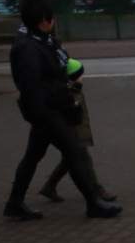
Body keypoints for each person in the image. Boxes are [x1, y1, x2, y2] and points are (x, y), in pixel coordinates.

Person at [5, 0, 122, 220]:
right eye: (51, 18)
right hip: (46, 111)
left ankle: (14, 202)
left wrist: (64, 88)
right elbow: (32, 86)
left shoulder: (38, 41)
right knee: (74, 151)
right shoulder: (29, 47)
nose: (53, 22)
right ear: (43, 20)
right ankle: (93, 202)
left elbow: (51, 77)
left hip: (48, 109)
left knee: (33, 156)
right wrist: (56, 99)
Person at [37, 58, 118, 204]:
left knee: (69, 160)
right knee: (84, 160)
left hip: (75, 130)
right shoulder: (67, 94)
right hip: (72, 131)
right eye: (80, 75)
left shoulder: (74, 90)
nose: (82, 78)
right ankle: (96, 190)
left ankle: (50, 186)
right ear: (72, 78)